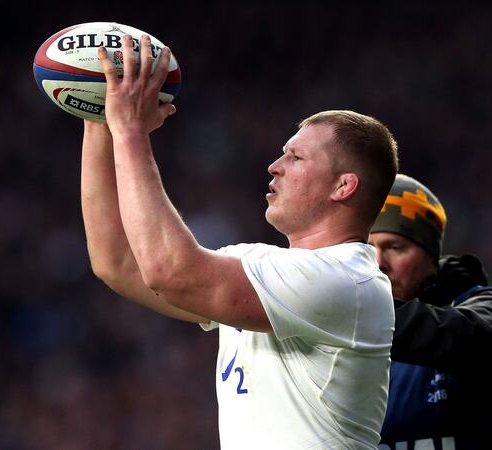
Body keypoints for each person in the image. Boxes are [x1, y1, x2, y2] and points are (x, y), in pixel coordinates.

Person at [81, 34, 399, 448]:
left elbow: (169, 272)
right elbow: (118, 263)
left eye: (296, 157)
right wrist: (99, 121)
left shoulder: (347, 282)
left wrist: (130, 132)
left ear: (343, 186)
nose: (274, 166)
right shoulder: (261, 266)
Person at [369, 174, 492, 449]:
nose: (378, 263)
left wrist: (356, 315)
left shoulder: (480, 307)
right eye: (367, 248)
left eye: (395, 247)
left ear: (432, 257)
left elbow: (473, 336)